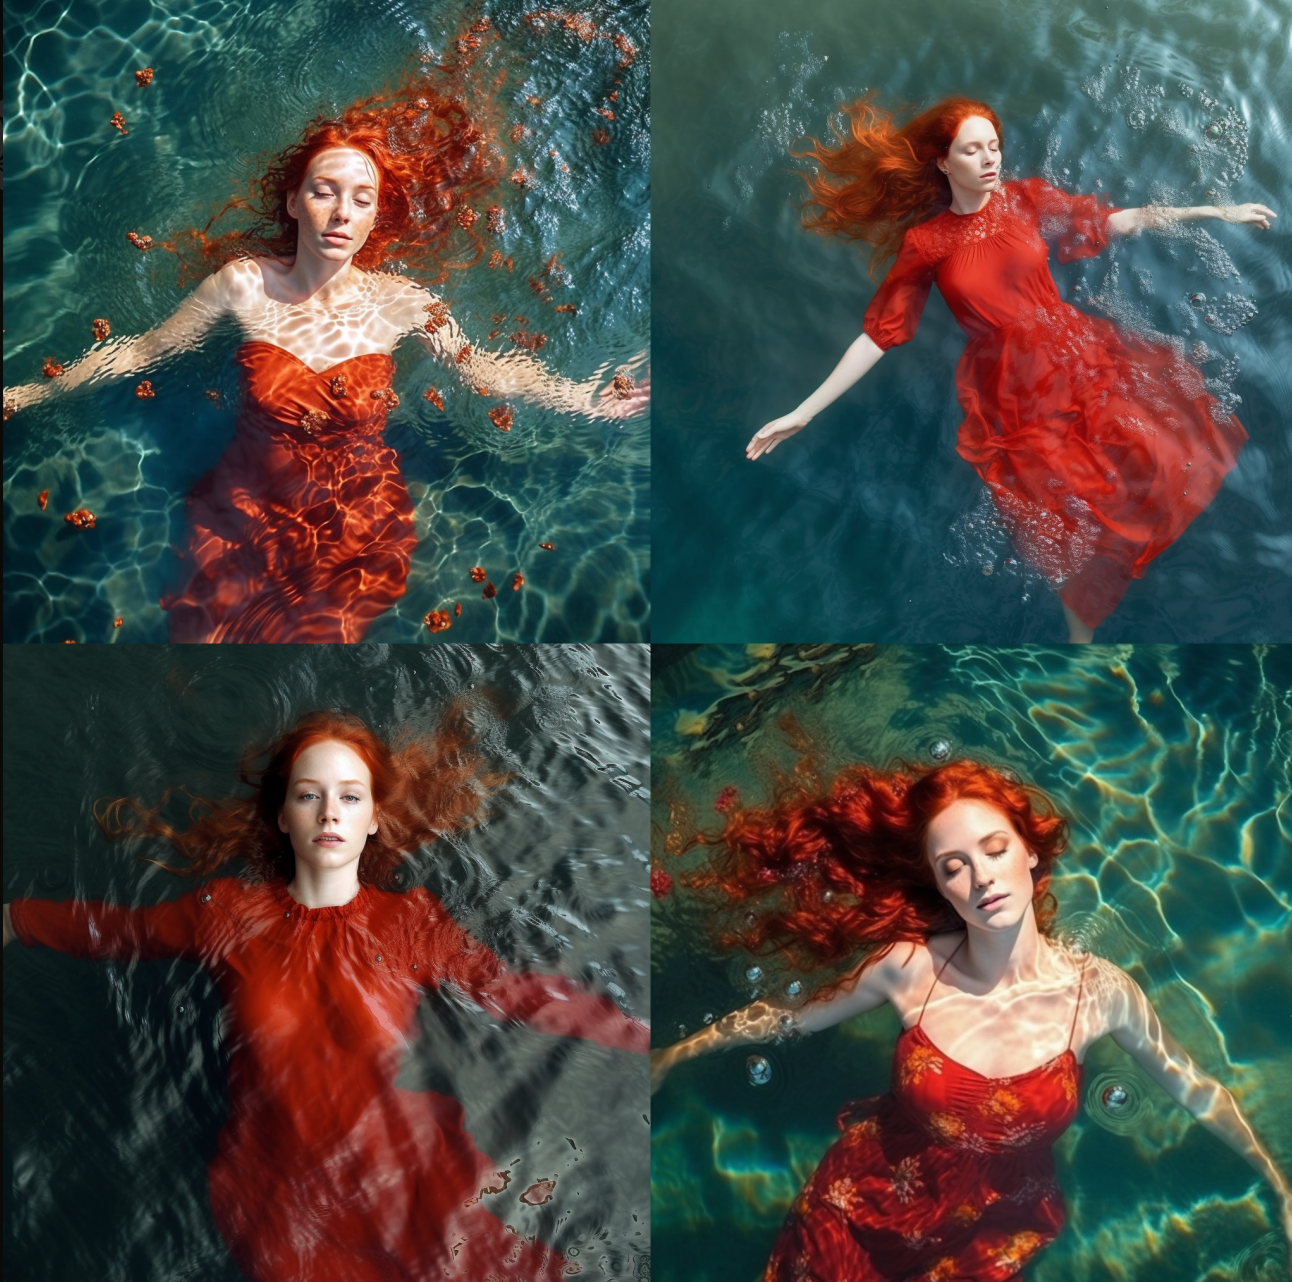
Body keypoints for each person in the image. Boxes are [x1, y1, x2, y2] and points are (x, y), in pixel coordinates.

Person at [3, 710, 649, 1282]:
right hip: (285, 1201)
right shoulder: (227, 914)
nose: (330, 812)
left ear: (372, 820)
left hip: (413, 1187)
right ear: (284, 816)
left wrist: (637, 1033)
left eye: (350, 796)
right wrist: (13, 918)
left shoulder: (410, 925)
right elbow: (115, 933)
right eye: (309, 795)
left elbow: (513, 994)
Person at [3, 82, 648, 643]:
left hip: (355, 519)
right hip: (242, 509)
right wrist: (30, 395)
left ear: (374, 218)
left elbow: (482, 371)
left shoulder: (404, 304)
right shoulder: (242, 285)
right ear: (293, 203)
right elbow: (146, 351)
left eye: (360, 199)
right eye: (324, 191)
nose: (341, 211)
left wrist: (584, 399)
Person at [649, 759, 1291, 1280]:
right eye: (954, 866)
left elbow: (1195, 1088)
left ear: (1030, 853)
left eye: (994, 848)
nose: (981, 876)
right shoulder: (909, 968)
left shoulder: (1100, 993)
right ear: (941, 885)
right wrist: (674, 1055)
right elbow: (786, 1018)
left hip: (991, 1232)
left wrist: (1279, 1183)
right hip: (862, 1207)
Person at [745, 96, 1274, 642]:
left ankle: (1199, 569)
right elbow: (880, 335)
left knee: (1161, 453)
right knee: (1059, 512)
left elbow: (1118, 220)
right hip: (1010, 388)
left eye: (994, 145)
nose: (989, 158)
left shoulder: (1025, 201)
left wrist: (1216, 212)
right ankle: (1080, 633)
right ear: (944, 163)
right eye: (971, 149)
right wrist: (802, 412)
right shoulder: (926, 243)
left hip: (1076, 351)